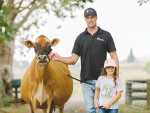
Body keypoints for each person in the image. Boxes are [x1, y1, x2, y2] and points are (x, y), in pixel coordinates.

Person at [49, 7, 119, 113]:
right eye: (87, 18)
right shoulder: (80, 38)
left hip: (103, 80)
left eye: (92, 17)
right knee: (90, 110)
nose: (90, 20)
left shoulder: (106, 35)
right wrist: (58, 58)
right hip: (86, 81)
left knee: (103, 109)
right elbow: (73, 59)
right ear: (85, 19)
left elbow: (114, 56)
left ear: (96, 18)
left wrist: (116, 76)